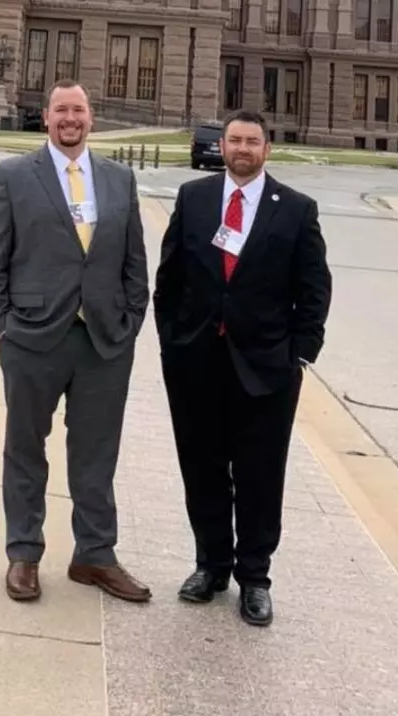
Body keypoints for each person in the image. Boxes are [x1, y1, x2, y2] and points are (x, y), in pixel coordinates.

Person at [0, 78, 152, 604]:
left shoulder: (120, 179)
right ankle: (24, 553)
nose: (70, 119)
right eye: (60, 111)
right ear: (46, 118)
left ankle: (95, 555)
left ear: (90, 118)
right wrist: (1, 326)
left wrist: (131, 321)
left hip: (103, 341)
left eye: (78, 110)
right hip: (32, 337)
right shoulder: (12, 176)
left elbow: (134, 262)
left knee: (96, 454)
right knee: (26, 448)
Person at [153, 109, 332, 626]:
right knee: (203, 469)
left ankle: (255, 577)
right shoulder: (195, 198)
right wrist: (171, 342)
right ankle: (211, 566)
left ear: (266, 149)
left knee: (259, 475)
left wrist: (301, 352)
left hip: (267, 368)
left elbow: (314, 289)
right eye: (234, 140)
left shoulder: (296, 209)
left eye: (252, 141)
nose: (242, 149)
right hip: (197, 363)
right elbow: (171, 277)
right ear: (223, 146)